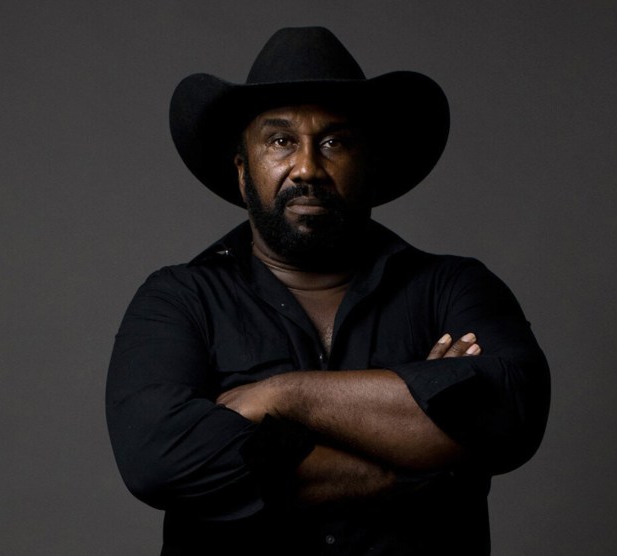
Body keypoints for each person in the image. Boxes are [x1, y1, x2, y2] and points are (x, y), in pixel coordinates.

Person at [106, 26, 550, 555]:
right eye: (280, 141)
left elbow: (511, 415)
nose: (308, 168)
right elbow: (160, 458)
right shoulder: (179, 299)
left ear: (371, 165)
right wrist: (412, 460)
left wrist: (280, 397)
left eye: (334, 142)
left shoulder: (452, 287)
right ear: (243, 171)